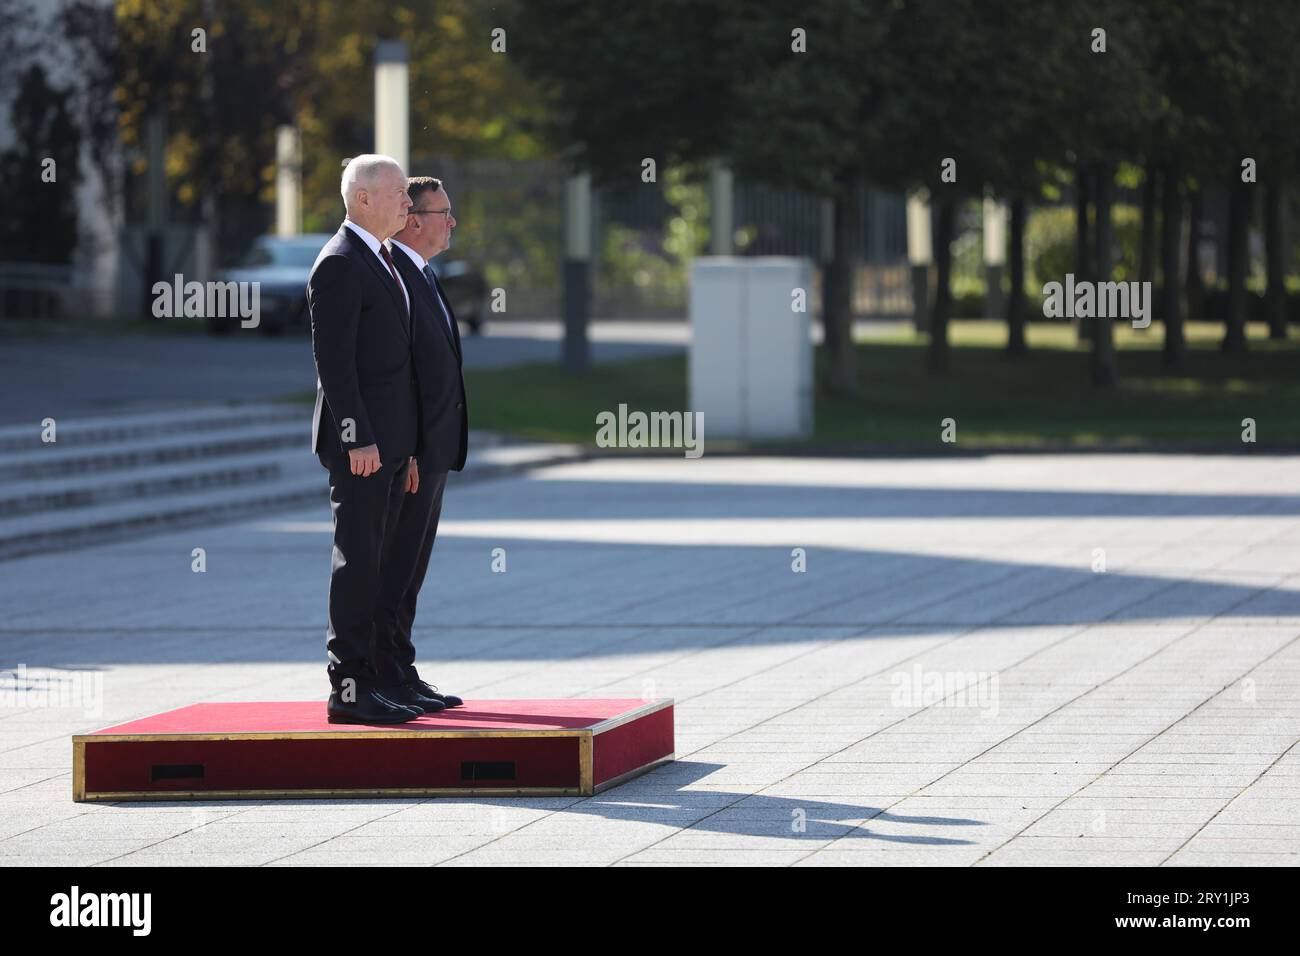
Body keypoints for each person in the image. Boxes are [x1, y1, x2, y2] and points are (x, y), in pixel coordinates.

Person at [308, 154, 429, 724]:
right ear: (362, 199)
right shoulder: (339, 262)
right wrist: (358, 439)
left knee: (384, 565)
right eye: (400, 194)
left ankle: (383, 678)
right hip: (361, 449)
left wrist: (404, 450)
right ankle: (349, 688)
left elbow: (394, 366)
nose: (408, 203)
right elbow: (335, 366)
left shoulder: (381, 259)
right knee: (357, 563)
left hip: (389, 447)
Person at [373, 175, 469, 710]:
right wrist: (408, 449)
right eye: (442, 212)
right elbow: (400, 375)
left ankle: (401, 670)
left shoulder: (423, 275)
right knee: (393, 567)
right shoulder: (398, 280)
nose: (452, 222)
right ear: (414, 221)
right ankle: (385, 675)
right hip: (412, 453)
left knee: (411, 569)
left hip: (431, 449)